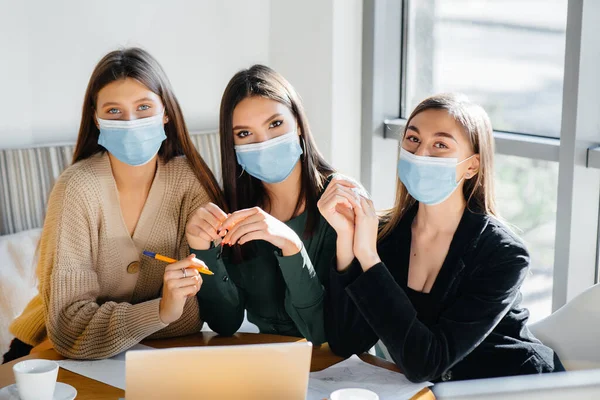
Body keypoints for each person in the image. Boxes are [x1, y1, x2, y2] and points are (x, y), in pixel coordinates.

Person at [3, 48, 224, 362]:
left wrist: (163, 314)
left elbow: (192, 315)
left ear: (166, 112)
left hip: (155, 355)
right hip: (46, 352)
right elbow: (69, 329)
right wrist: (161, 311)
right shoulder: (75, 188)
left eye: (143, 106)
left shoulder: (191, 182)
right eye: (114, 111)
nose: (130, 122)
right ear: (96, 118)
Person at [326, 93, 564, 382]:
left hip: (515, 386)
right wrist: (346, 242)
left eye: (440, 144)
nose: (421, 154)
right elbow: (344, 343)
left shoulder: (503, 255)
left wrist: (368, 257)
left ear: (471, 166)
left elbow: (426, 363)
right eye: (412, 140)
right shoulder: (384, 233)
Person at [188, 65, 356, 345]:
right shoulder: (231, 209)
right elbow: (225, 323)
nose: (263, 142)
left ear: (299, 123)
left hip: (338, 371)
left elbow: (322, 335)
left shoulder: (339, 201)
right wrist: (201, 249)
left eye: (275, 124)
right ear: (231, 143)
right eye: (244, 134)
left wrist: (291, 246)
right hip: (267, 364)